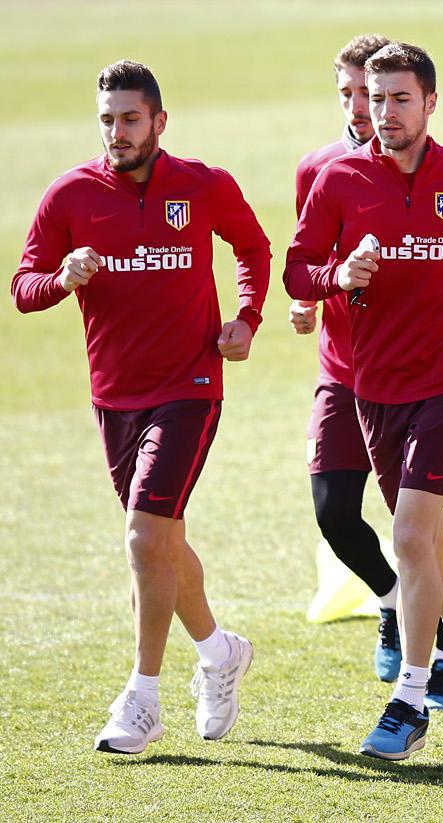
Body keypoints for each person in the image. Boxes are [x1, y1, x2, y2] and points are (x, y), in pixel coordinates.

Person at [11, 60, 269, 754]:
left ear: (159, 121)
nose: (117, 131)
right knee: (161, 542)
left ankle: (143, 698)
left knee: (142, 539)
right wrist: (61, 277)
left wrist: (247, 318)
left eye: (130, 118)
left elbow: (251, 245)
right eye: (107, 119)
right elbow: (23, 287)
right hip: (114, 398)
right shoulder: (70, 195)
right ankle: (220, 653)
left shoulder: (203, 185)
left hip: (189, 388)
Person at [284, 42, 443, 761]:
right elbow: (298, 270)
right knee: (423, 539)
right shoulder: (337, 178)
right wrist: (337, 276)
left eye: (399, 99)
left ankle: (408, 701)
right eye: (375, 99)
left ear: (431, 102)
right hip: (372, 387)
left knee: (410, 534)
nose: (384, 112)